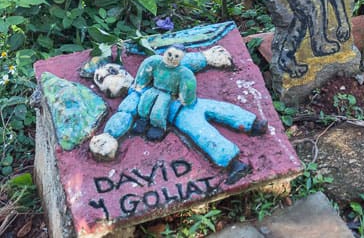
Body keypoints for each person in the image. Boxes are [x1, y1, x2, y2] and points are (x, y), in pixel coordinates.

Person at [89, 46, 267, 185]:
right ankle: (235, 164)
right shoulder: (133, 98)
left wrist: (206, 57)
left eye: (112, 70)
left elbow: (181, 66)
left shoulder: (151, 68)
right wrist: (110, 134)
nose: (113, 75)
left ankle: (254, 124)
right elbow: (124, 115)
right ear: (108, 93)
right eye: (103, 79)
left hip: (191, 101)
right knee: (204, 134)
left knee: (222, 109)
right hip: (181, 115)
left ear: (122, 69)